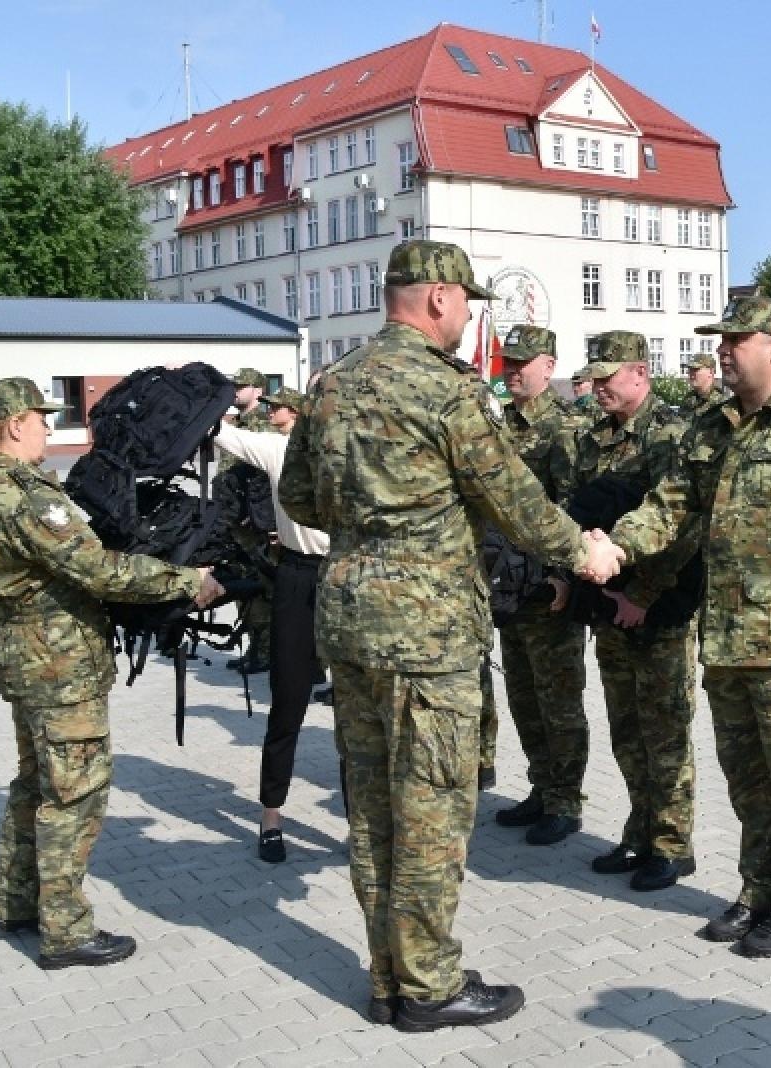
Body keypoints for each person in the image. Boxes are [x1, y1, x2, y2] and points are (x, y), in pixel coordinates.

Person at [278, 239, 624, 1030]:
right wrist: (585, 551)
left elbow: (298, 496)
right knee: (432, 807)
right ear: (437, 298)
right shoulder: (446, 392)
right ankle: (430, 987)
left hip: (351, 618)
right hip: (427, 629)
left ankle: (386, 977)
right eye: (465, 302)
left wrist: (370, 522)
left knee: (372, 810)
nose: (469, 317)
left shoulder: (332, 384)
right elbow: (515, 501)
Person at [609, 294, 771, 957]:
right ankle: (757, 888)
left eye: (736, 339)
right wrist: (613, 548)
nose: (723, 350)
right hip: (726, 638)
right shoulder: (712, 428)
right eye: (720, 340)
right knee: (747, 779)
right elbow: (671, 506)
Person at [0, 377, 223, 969]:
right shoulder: (28, 498)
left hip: (24, 650)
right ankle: (66, 932)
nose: (48, 428)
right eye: (39, 418)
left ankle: (16, 904)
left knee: (34, 783)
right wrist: (188, 582)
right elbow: (96, 569)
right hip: (57, 662)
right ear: (13, 424)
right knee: (72, 795)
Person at [555, 331, 701, 887]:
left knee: (664, 730)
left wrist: (642, 594)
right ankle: (639, 832)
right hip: (608, 604)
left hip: (659, 606)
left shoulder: (675, 433)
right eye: (593, 378)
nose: (597, 388)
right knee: (626, 727)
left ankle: (672, 843)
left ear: (640, 373)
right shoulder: (593, 438)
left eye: (607, 377)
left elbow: (687, 525)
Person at [213, 387, 332, 862]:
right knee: (288, 700)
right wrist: (211, 388)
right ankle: (271, 815)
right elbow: (220, 434)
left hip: (354, 576)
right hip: (298, 576)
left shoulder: (364, 451)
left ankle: (365, 825)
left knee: (361, 710)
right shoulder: (280, 449)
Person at [488, 325, 593, 833]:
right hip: (508, 585)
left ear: (548, 367)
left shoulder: (565, 429)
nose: (510, 371)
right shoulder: (498, 424)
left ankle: (566, 801)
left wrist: (562, 577)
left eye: (521, 364)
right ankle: (541, 784)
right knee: (523, 697)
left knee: (559, 701)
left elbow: (571, 509)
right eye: (507, 363)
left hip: (547, 587)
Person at [223, 368, 277, 675]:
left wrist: (254, 513)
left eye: (240, 386)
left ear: (257, 389)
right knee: (243, 588)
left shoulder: (260, 426)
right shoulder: (239, 424)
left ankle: (265, 651)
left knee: (261, 588)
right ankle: (254, 648)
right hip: (235, 520)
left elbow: (261, 478)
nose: (235, 391)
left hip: (252, 522)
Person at [681, 350, 729, 417]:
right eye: (690, 370)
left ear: (710, 372)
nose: (690, 373)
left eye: (696, 369)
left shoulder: (722, 403)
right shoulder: (689, 399)